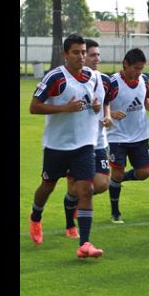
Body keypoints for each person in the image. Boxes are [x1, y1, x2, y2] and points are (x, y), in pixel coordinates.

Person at [28, 34, 104, 258]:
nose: (81, 57)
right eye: (76, 52)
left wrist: (96, 106)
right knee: (47, 187)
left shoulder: (92, 77)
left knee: (87, 190)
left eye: (83, 52)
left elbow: (95, 107)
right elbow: (34, 107)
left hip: (84, 145)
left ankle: (85, 243)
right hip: (57, 146)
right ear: (65, 55)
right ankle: (35, 216)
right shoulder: (55, 78)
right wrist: (64, 108)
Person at [105, 48, 149, 223]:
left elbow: (144, 99)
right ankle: (115, 212)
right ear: (126, 64)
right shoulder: (113, 83)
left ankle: (116, 179)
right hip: (117, 136)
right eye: (136, 68)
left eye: (141, 69)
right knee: (116, 173)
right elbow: (102, 104)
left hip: (140, 134)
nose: (139, 72)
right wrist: (111, 114)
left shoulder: (143, 80)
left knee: (144, 172)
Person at [63, 39, 113, 238]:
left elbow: (106, 102)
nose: (95, 59)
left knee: (101, 183)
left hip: (99, 140)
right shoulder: (71, 80)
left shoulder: (104, 80)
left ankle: (79, 199)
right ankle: (70, 225)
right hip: (75, 141)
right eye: (91, 55)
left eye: (96, 55)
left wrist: (107, 115)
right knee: (77, 187)